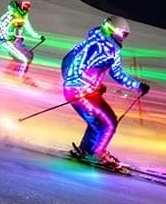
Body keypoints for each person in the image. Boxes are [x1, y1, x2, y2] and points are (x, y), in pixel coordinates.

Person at [61, 15, 150, 168]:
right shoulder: (96, 45)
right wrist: (86, 86)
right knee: (108, 123)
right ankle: (97, 153)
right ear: (110, 29)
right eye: (121, 33)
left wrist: (137, 86)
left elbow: (117, 73)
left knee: (99, 123)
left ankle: (87, 151)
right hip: (78, 91)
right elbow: (76, 67)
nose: (122, 38)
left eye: (125, 35)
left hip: (88, 92)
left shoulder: (113, 50)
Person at [0, 0, 44, 76]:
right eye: (25, 5)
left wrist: (38, 37)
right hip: (5, 40)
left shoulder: (23, 17)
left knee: (29, 55)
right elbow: (1, 29)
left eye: (28, 6)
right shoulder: (11, 15)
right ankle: (18, 76)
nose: (27, 8)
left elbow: (29, 29)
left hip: (16, 41)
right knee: (23, 59)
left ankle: (14, 71)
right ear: (19, 4)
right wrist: (7, 37)